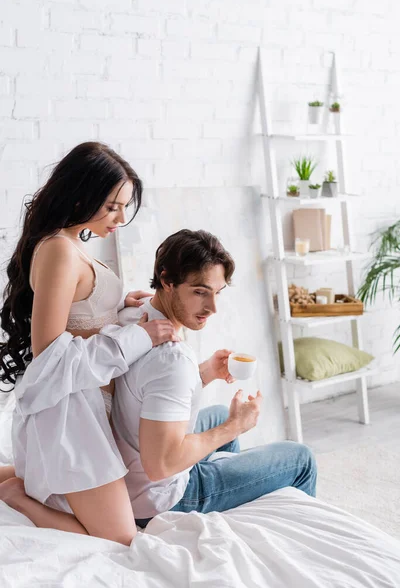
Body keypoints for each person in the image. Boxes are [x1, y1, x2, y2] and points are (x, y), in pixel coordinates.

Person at [0, 141, 180, 545]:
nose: (119, 218)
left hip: (86, 406)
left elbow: (79, 319)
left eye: (124, 207)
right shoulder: (60, 250)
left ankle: (22, 478)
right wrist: (139, 335)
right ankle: (15, 495)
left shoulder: (69, 245)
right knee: (120, 539)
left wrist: (120, 307)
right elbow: (50, 354)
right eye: (112, 206)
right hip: (70, 413)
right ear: (81, 193)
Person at [112, 229, 317, 527]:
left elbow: (148, 387)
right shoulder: (173, 359)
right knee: (300, 458)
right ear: (168, 281)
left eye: (217, 292)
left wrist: (206, 372)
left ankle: (229, 517)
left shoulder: (136, 316)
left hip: (129, 474)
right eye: (200, 292)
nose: (213, 307)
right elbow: (161, 465)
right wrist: (235, 426)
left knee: (219, 413)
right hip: (159, 497)